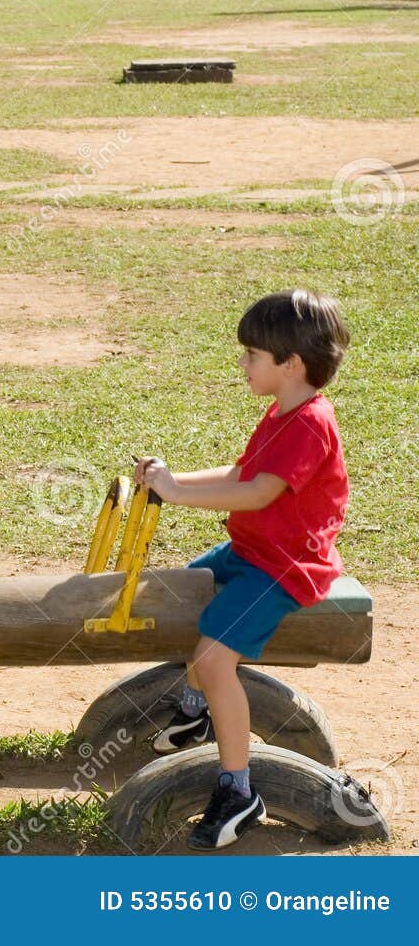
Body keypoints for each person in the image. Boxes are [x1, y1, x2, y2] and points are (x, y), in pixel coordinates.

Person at [138, 290, 350, 850]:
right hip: (252, 553)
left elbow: (258, 493)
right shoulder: (281, 412)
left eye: (252, 354)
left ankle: (238, 790)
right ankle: (196, 710)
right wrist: (175, 478)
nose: (243, 363)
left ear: (291, 364)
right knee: (190, 588)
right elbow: (240, 469)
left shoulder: (309, 423)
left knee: (213, 655)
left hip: (285, 567)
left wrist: (175, 495)